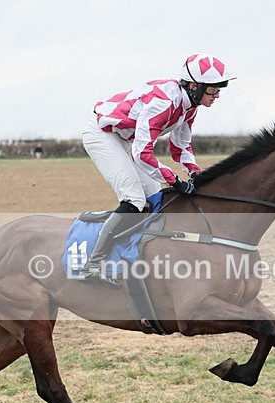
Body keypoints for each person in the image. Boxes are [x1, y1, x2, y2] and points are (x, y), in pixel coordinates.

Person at [79, 53, 234, 284]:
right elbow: (143, 154)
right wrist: (174, 180)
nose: (218, 95)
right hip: (103, 136)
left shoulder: (190, 106)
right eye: (213, 90)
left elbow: (180, 146)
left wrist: (195, 174)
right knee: (134, 200)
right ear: (194, 86)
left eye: (220, 89)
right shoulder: (165, 102)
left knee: (155, 199)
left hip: (126, 140)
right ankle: (92, 265)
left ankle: (139, 258)